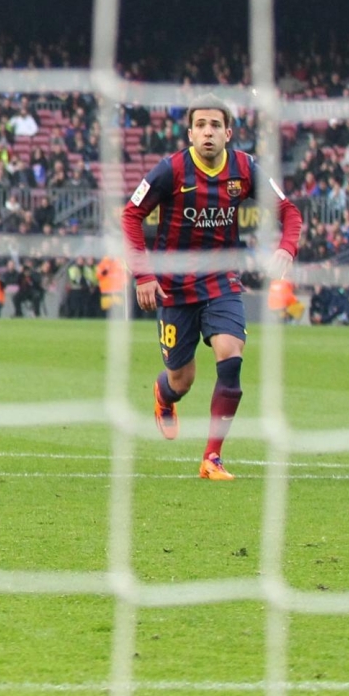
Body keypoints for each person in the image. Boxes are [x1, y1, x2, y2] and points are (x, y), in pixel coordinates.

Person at [121, 97, 302, 480]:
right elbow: (131, 214)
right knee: (181, 379)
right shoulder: (170, 170)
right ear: (190, 133)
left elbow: (289, 211)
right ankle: (164, 394)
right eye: (201, 125)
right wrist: (143, 274)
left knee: (231, 356)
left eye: (215, 125)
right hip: (174, 286)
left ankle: (211, 457)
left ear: (228, 133)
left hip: (221, 280)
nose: (208, 132)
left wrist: (287, 247)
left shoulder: (245, 168)